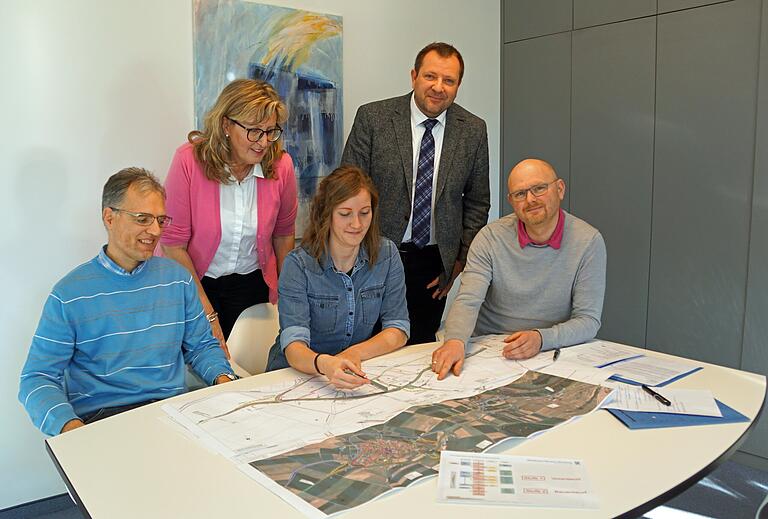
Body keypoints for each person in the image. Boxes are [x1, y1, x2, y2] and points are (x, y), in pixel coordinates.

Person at [19, 168, 236, 436]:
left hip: (172, 414)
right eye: (143, 219)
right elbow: (36, 379)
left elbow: (202, 347)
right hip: (103, 421)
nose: (155, 231)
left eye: (160, 220)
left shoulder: (177, 280)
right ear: (109, 217)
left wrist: (225, 382)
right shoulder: (69, 295)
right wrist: (71, 428)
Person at [341, 42, 490, 345]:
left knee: (418, 349)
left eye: (449, 80)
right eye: (430, 77)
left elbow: (477, 202)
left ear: (458, 85)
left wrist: (458, 261)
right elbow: (346, 188)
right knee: (366, 346)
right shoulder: (374, 118)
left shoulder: (472, 129)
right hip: (372, 255)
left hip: (432, 266)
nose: (438, 87)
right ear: (414, 76)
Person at [431, 159, 607, 380]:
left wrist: (541, 339)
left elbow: (588, 320)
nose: (531, 200)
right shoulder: (490, 237)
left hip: (549, 351)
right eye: (520, 194)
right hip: (488, 347)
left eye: (539, 188)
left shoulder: (588, 241)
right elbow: (468, 299)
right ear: (511, 201)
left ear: (560, 189)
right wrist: (455, 340)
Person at [161, 79, 297, 357]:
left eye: (270, 131)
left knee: (252, 368)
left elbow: (283, 234)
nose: (263, 142)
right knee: (205, 372)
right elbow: (173, 245)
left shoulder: (281, 166)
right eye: (254, 131)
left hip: (254, 286)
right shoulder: (189, 161)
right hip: (197, 285)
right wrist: (207, 313)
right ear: (226, 125)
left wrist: (289, 298)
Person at [266, 166, 410, 389]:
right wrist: (326, 364)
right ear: (327, 214)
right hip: (298, 376)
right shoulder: (298, 264)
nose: (357, 224)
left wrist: (353, 354)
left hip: (351, 368)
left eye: (365, 212)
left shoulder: (387, 255)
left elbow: (398, 329)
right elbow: (294, 345)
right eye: (345, 214)